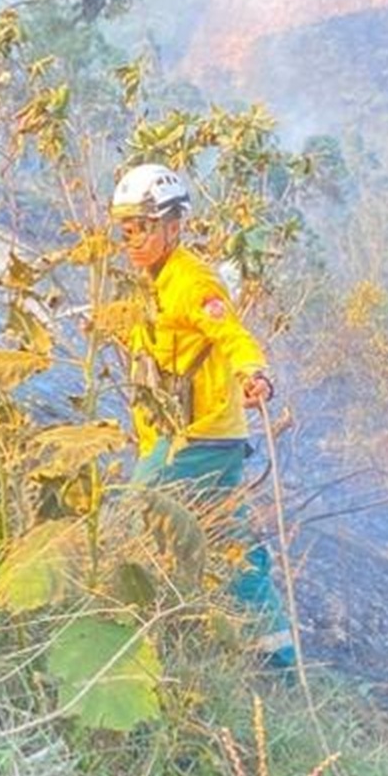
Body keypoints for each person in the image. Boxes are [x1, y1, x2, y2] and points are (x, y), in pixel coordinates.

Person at [105, 162, 298, 670]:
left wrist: (253, 373)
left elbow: (230, 335)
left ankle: (130, 632)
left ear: (172, 225)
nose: (133, 238)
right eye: (127, 228)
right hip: (177, 436)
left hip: (200, 437)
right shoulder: (149, 282)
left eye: (143, 227)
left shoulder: (192, 282)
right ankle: (276, 661)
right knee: (229, 544)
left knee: (134, 509)